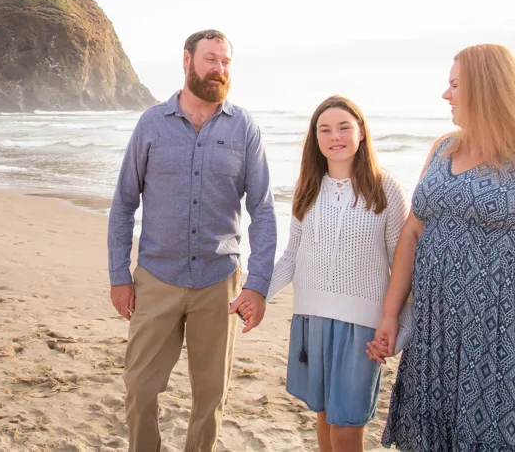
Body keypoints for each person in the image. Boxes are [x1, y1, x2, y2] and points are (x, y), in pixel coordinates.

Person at [367, 44, 515, 451]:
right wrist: (390, 314)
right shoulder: (443, 148)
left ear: (486, 88)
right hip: (434, 333)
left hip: (505, 338)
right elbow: (413, 233)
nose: (445, 94)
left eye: (454, 85)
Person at [107, 29, 278, 452]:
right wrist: (118, 276)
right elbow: (125, 202)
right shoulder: (151, 123)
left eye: (226, 62)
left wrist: (257, 283)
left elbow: (263, 209)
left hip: (219, 284)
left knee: (210, 397)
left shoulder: (244, 129)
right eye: (211, 59)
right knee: (141, 389)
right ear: (187, 61)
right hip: (157, 278)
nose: (219, 69)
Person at [265, 95, 409, 452]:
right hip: (311, 319)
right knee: (325, 418)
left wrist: (401, 331)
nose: (335, 137)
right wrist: (255, 294)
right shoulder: (309, 187)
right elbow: (291, 257)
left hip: (361, 328)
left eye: (344, 127)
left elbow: (403, 266)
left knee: (347, 427)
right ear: (316, 139)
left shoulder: (385, 187)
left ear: (361, 132)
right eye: (325, 130)